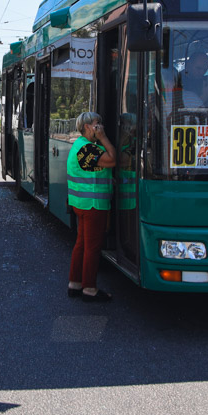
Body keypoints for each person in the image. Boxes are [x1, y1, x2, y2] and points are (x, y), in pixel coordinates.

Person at [67, 111, 117, 302]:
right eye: (97, 123)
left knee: (81, 244)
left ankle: (75, 283)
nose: (100, 127)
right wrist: (103, 137)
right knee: (92, 247)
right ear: (87, 127)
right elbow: (112, 160)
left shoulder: (80, 145)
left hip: (81, 204)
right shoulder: (88, 149)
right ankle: (89, 288)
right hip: (93, 205)